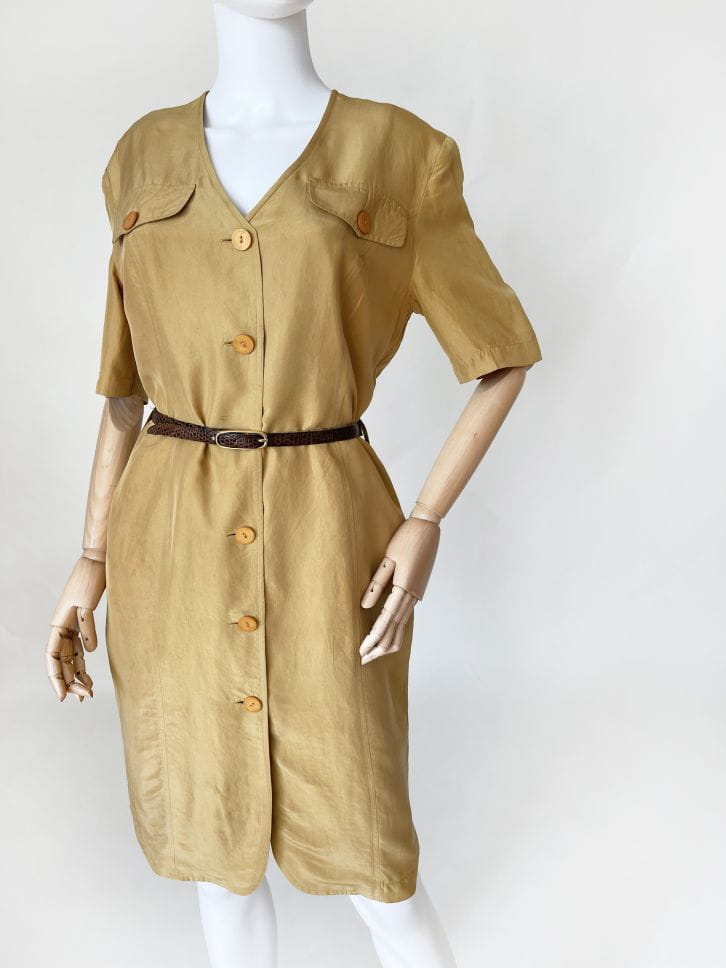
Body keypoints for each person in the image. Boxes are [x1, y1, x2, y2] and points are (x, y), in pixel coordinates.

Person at [46, 2, 542, 965]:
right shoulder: (140, 158)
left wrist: (425, 518)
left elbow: (501, 354)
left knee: (373, 858)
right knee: (216, 858)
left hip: (331, 531)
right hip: (170, 542)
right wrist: (93, 556)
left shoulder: (402, 154)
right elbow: (123, 391)